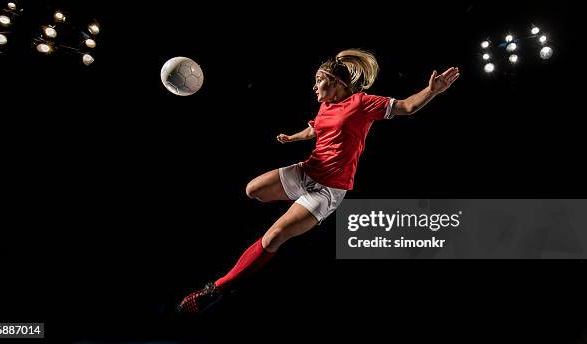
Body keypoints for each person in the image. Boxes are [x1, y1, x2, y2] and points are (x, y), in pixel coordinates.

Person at [177, 48, 460, 314]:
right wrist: (293, 138)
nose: (314, 87)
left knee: (275, 235)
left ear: (336, 82)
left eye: (319, 81)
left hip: (328, 190)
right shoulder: (325, 105)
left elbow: (407, 107)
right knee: (253, 190)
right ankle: (298, 211)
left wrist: (431, 91)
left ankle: (218, 287)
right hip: (307, 171)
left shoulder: (361, 103)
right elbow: (314, 129)